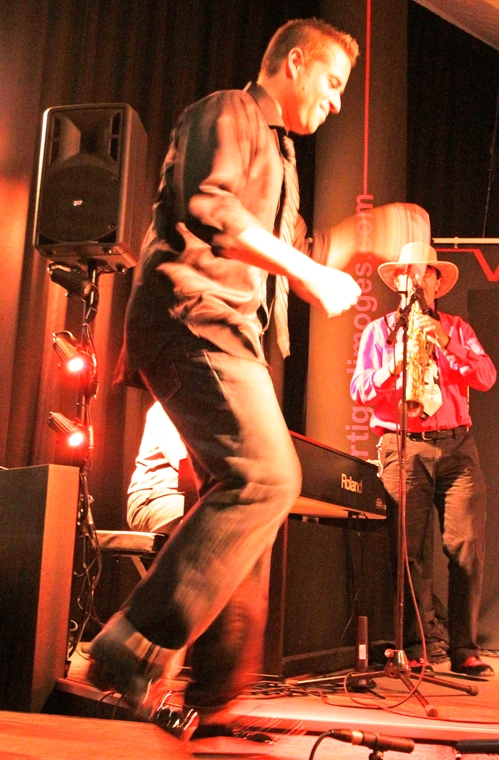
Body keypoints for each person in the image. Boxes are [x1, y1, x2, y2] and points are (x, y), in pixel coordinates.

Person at [88, 19, 427, 740]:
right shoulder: (227, 111)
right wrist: (307, 272)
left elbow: (295, 244)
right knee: (266, 478)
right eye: (332, 82)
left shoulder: (282, 158)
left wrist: (354, 241)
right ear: (294, 63)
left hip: (233, 338)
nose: (337, 101)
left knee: (253, 509)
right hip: (190, 318)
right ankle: (131, 643)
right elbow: (209, 208)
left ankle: (215, 699)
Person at [351, 242, 496, 678]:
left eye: (425, 272)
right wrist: (392, 367)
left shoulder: (457, 328)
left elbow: (486, 377)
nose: (417, 279)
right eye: (409, 273)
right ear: (398, 281)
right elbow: (359, 390)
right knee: (407, 553)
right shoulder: (378, 332)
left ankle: (464, 648)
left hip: (456, 446)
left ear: (436, 282)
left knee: (466, 547)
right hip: (403, 445)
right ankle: (415, 647)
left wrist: (448, 344)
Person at [127, 402, 187, 535]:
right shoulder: (164, 409)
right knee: (203, 522)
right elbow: (184, 461)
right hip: (153, 498)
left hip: (188, 497)